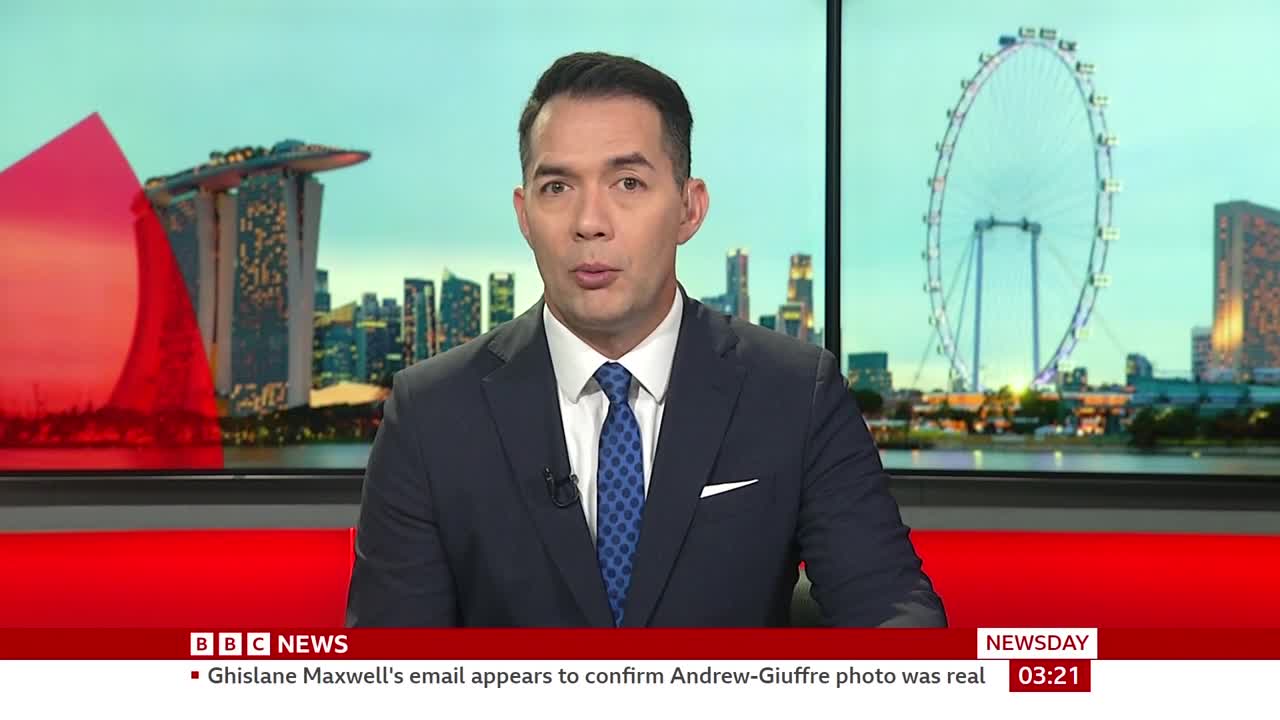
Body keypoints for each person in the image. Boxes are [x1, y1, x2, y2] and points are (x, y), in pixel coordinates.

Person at [346, 51, 946, 628]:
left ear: (689, 208)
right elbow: (393, 665)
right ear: (524, 214)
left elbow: (890, 605)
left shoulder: (794, 393)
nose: (589, 222)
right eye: (558, 188)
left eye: (628, 183)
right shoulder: (430, 414)